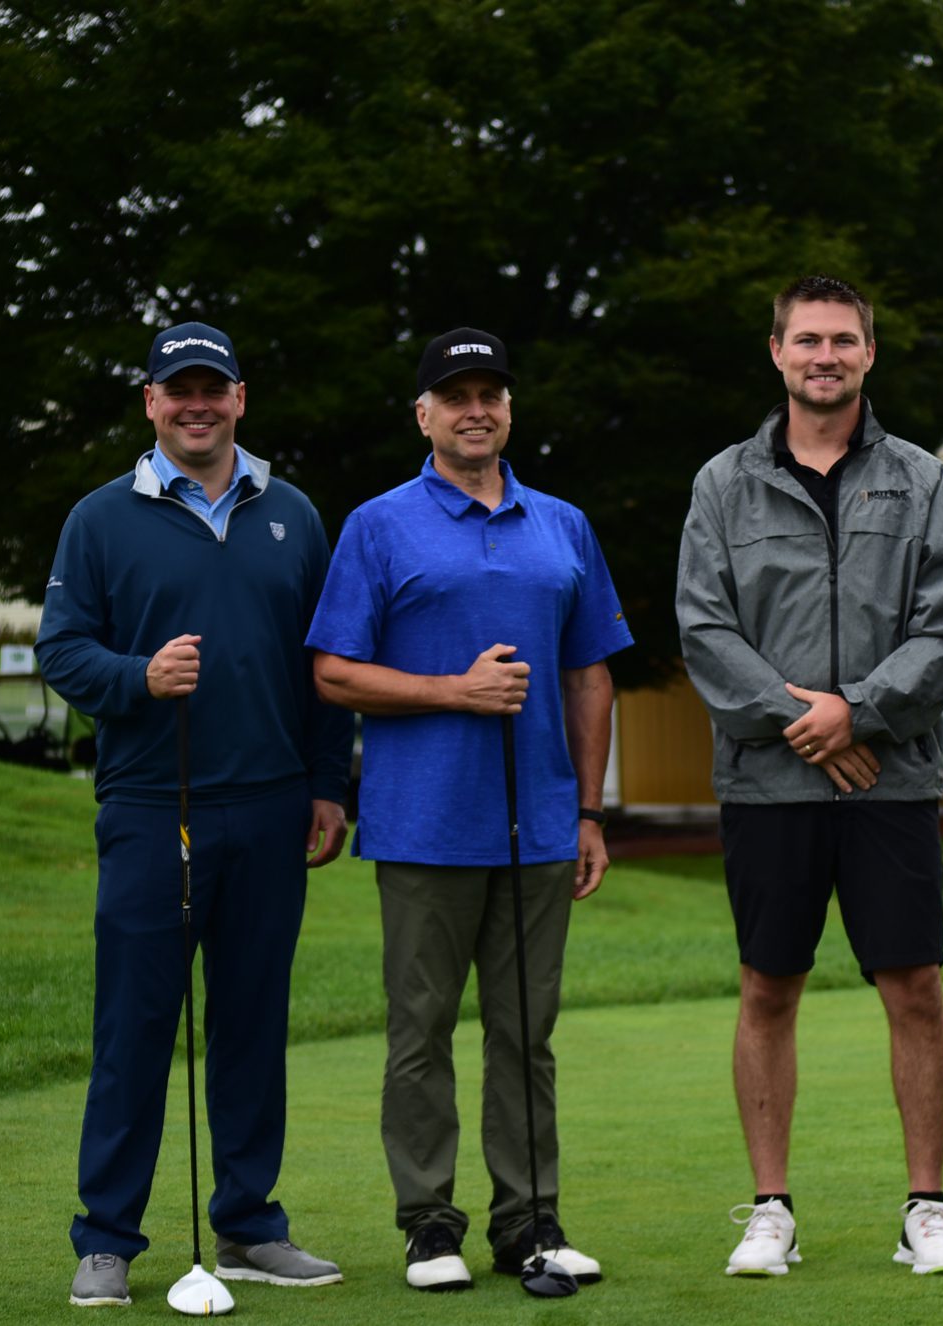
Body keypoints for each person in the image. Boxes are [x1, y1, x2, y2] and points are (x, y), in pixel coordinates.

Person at [38, 321, 354, 1307]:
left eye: (212, 388)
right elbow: (62, 650)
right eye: (178, 390)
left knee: (252, 1026)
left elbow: (323, 672)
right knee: (137, 1024)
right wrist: (140, 676)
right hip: (148, 807)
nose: (196, 404)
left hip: (268, 809)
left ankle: (250, 1227)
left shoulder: (292, 513)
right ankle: (107, 1239)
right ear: (150, 403)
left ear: (240, 398)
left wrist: (330, 785)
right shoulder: (100, 518)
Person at [307, 328, 630, 1292]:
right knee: (421, 1031)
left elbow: (590, 674)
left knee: (525, 1035)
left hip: (538, 823)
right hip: (422, 824)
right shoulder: (378, 524)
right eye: (455, 396)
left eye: (490, 393)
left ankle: (530, 1222)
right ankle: (429, 1225)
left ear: (509, 409)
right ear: (424, 415)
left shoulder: (562, 525)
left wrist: (587, 810)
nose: (474, 409)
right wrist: (454, 691)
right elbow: (331, 672)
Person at [676, 275, 943, 1278]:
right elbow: (703, 628)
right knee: (769, 985)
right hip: (769, 788)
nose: (824, 355)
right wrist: (805, 719)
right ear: (776, 353)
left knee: (915, 987)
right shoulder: (723, 483)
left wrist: (861, 710)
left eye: (842, 340)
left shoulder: (922, 481)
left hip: (887, 783)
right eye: (805, 339)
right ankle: (770, 1211)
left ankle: (925, 1210)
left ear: (868, 353)